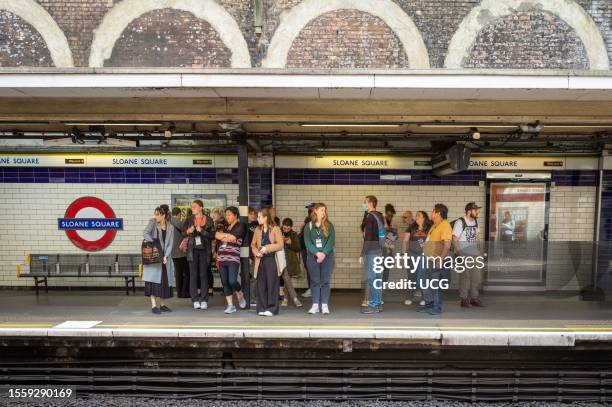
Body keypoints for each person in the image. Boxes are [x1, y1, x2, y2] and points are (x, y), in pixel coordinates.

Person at [420, 203, 453, 316]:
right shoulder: (434, 225)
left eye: (432, 211)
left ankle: (437, 307)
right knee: (427, 283)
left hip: (437, 260)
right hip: (428, 259)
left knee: (436, 284)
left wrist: (440, 259)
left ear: (437, 213)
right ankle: (429, 304)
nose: (431, 213)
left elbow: (447, 244)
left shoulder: (445, 225)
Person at [303, 203, 336, 315]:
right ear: (315, 211)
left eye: (325, 210)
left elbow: (331, 241)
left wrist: (323, 254)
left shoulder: (329, 225)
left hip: (327, 257)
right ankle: (315, 305)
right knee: (315, 281)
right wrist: (317, 253)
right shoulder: (309, 226)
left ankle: (325, 305)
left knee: (325, 281)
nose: (324, 212)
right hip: (313, 257)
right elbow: (307, 242)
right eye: (321, 210)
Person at [251, 208, 284, 316]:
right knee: (261, 284)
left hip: (271, 259)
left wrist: (267, 248)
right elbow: (253, 244)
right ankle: (262, 307)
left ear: (265, 218)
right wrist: (256, 253)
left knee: (272, 284)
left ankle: (272, 309)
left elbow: (280, 245)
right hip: (260, 259)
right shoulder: (257, 229)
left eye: (259, 217)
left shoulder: (275, 229)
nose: (257, 218)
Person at [142, 205, 174, 314]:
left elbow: (170, 244)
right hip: (154, 257)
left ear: (163, 215)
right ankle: (154, 305)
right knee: (153, 281)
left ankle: (163, 304)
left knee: (164, 281)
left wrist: (166, 256)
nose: (155, 216)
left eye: (158, 214)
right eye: (155, 214)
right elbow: (145, 233)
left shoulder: (170, 227)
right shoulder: (153, 223)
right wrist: (154, 243)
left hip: (165, 258)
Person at [215, 206, 248, 314]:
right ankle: (230, 305)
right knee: (225, 282)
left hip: (233, 257)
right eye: (226, 214)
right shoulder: (224, 226)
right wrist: (227, 236)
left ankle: (239, 293)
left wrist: (224, 236)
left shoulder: (241, 226)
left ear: (235, 215)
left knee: (232, 280)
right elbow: (216, 235)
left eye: (229, 214)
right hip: (221, 257)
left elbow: (233, 238)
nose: (227, 216)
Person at [184, 200, 214, 310]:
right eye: (192, 207)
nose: (192, 208)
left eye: (195, 206)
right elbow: (183, 233)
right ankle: (195, 300)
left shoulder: (209, 220)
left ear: (201, 207)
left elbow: (212, 235)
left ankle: (204, 300)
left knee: (203, 275)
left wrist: (201, 231)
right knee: (193, 275)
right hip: (192, 251)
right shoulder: (189, 219)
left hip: (204, 251)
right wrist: (188, 231)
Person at [453, 202, 483, 308]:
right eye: (475, 210)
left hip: (475, 252)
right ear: (469, 211)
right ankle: (464, 299)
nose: (477, 212)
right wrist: (460, 254)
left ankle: (474, 298)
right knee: (465, 276)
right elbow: (455, 239)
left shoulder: (475, 221)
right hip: (464, 252)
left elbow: (477, 237)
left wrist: (480, 251)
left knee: (476, 276)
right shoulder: (460, 222)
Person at [401, 211, 432, 306]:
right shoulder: (411, 227)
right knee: (411, 276)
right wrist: (403, 253)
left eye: (419, 215)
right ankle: (409, 297)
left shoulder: (429, 228)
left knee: (424, 277)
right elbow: (405, 241)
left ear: (424, 218)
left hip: (424, 257)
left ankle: (424, 297)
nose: (416, 217)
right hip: (412, 256)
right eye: (416, 215)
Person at [360, 195, 385, 314]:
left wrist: (362, 254)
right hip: (379, 251)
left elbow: (368, 237)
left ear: (370, 203)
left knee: (371, 279)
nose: (363, 204)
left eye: (365, 202)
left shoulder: (370, 217)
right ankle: (379, 304)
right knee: (378, 279)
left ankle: (373, 305)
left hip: (371, 252)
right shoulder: (379, 215)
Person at [280, 218, 303, 307]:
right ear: (282, 226)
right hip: (280, 259)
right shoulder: (278, 232)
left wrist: (290, 243)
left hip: (290, 260)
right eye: (284, 228)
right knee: (286, 277)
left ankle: (285, 299)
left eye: (288, 229)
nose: (285, 230)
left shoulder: (293, 234)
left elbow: (298, 248)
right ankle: (294, 297)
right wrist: (281, 240)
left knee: (287, 279)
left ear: (291, 227)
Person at [169, 207, 190, 298]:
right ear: (178, 214)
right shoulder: (178, 222)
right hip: (181, 252)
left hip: (173, 252)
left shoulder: (168, 222)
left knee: (178, 272)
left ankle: (179, 292)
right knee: (186, 273)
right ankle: (184, 292)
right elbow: (186, 231)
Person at [299, 203, 315, 298]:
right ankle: (312, 288)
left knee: (311, 270)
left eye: (310, 209)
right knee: (310, 269)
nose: (309, 211)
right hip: (305, 248)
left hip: (309, 249)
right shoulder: (308, 219)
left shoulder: (311, 220)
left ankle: (312, 289)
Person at [244, 206, 259, 308]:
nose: (253, 215)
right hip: (247, 254)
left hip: (256, 253)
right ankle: (249, 298)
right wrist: (248, 256)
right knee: (247, 277)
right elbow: (246, 242)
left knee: (254, 277)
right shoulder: (243, 225)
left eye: (254, 213)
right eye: (251, 213)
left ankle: (253, 298)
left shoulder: (257, 224)